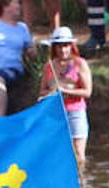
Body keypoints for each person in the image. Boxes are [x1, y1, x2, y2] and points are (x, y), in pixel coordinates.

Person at [38, 26, 92, 162]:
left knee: (78, 153)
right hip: (55, 114)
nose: (63, 50)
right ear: (54, 48)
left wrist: (65, 91)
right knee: (56, 153)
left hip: (75, 113)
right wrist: (52, 93)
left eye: (66, 46)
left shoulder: (80, 64)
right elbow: (41, 92)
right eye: (59, 46)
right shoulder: (49, 66)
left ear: (71, 46)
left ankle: (80, 180)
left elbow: (87, 92)